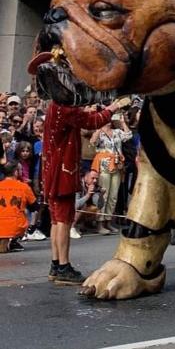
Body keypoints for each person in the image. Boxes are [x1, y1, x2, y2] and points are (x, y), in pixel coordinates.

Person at [44, 97, 129, 285]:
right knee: (64, 220)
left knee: (57, 220)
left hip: (53, 169)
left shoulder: (54, 106)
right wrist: (113, 107)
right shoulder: (65, 107)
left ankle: (56, 264)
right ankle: (63, 267)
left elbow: (86, 117)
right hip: (63, 170)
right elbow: (92, 121)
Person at [90, 111, 132, 234]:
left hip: (117, 165)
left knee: (113, 196)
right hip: (104, 166)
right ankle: (100, 223)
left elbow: (128, 135)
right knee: (104, 195)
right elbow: (93, 142)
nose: (108, 121)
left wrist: (123, 122)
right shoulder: (100, 134)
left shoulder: (116, 132)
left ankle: (108, 221)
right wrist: (98, 127)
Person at [0, 161, 39, 253]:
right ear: (15, 172)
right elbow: (35, 207)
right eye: (21, 170)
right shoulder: (24, 187)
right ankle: (13, 240)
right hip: (15, 224)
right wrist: (33, 225)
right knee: (24, 211)